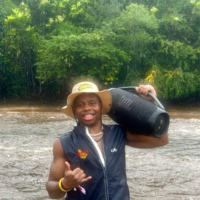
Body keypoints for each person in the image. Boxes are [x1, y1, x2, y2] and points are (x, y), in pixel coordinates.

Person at [46, 81, 168, 200]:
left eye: (92, 103)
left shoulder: (119, 133)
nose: (87, 108)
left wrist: (151, 103)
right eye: (80, 105)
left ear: (100, 105)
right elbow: (52, 191)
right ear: (74, 109)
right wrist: (65, 184)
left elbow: (161, 139)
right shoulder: (64, 143)